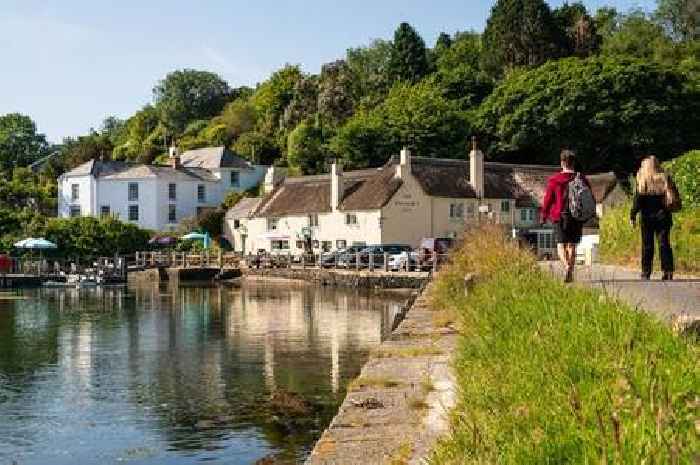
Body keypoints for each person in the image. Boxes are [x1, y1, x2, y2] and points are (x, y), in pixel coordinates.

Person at [541, 150, 590, 283]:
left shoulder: (554, 180)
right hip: (576, 216)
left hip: (559, 216)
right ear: (574, 163)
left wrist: (544, 215)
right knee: (572, 245)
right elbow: (588, 198)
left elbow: (548, 200)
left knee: (560, 245)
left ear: (562, 163)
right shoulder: (581, 179)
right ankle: (571, 270)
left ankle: (566, 265)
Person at [630, 156, 677, 280]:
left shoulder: (642, 180)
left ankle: (646, 272)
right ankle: (668, 271)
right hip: (664, 216)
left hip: (647, 218)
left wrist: (633, 215)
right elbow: (674, 194)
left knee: (647, 245)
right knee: (664, 243)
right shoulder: (665, 178)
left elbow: (637, 201)